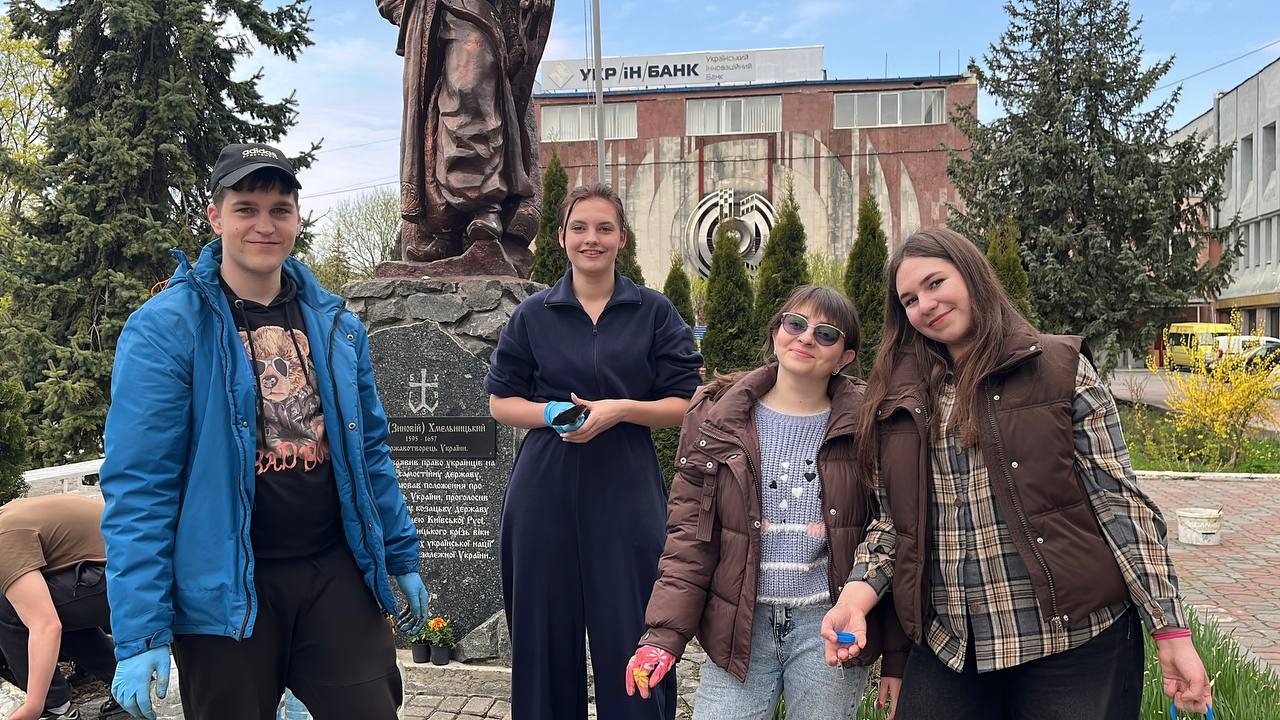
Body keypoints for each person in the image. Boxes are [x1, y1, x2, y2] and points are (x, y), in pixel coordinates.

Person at [822, 227, 1213, 718]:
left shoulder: (1060, 369)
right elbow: (892, 525)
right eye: (909, 300)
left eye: (935, 283)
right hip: (951, 645)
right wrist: (855, 598)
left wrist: (1170, 629)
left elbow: (1119, 505)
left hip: (1073, 640)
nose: (925, 304)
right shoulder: (898, 400)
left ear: (972, 275)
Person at [100, 143, 431, 720]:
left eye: (280, 209)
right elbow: (140, 486)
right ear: (215, 217)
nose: (264, 224)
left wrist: (399, 555)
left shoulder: (337, 325)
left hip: (333, 571)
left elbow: (370, 453)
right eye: (246, 208)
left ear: (297, 218)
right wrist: (140, 629)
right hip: (224, 588)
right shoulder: (166, 329)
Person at [627, 286, 910, 720]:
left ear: (845, 356)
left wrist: (896, 657)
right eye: (796, 324)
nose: (806, 337)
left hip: (829, 625)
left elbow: (890, 534)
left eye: (826, 333)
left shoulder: (870, 425)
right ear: (777, 331)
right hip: (739, 625)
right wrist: (662, 637)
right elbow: (689, 538)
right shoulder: (715, 417)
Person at [485, 183, 703, 720]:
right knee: (543, 639)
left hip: (625, 488)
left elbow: (688, 402)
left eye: (605, 228)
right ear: (561, 237)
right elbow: (500, 401)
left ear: (622, 238)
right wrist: (551, 413)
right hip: (543, 490)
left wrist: (620, 409)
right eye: (580, 227)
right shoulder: (533, 314)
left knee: (632, 632)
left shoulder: (654, 312)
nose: (592, 238)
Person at [374, 0, 552, 264]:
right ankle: (445, 229)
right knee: (432, 123)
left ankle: (486, 208)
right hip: (428, 17)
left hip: (479, 11)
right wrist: (403, 11)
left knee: (471, 94)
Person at [0, 495, 125, 720]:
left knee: (11, 607)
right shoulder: (9, 516)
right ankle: (124, 683)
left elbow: (46, 626)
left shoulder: (3, 540)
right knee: (41, 604)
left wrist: (33, 708)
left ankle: (54, 709)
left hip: (133, 579)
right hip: (132, 569)